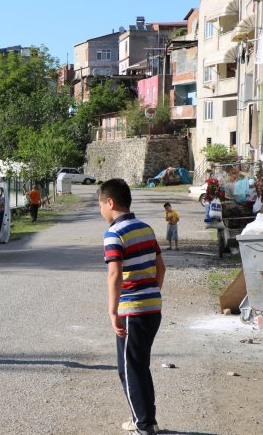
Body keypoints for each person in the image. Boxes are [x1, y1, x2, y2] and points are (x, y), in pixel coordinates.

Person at [98, 179, 165, 435]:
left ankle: (144, 425)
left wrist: (112, 311)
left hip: (132, 310)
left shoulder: (114, 234)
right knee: (139, 365)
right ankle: (147, 419)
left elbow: (114, 274)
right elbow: (161, 267)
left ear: (110, 203)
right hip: (152, 308)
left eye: (101, 205)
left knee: (128, 369)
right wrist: (152, 291)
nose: (101, 211)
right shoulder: (146, 228)